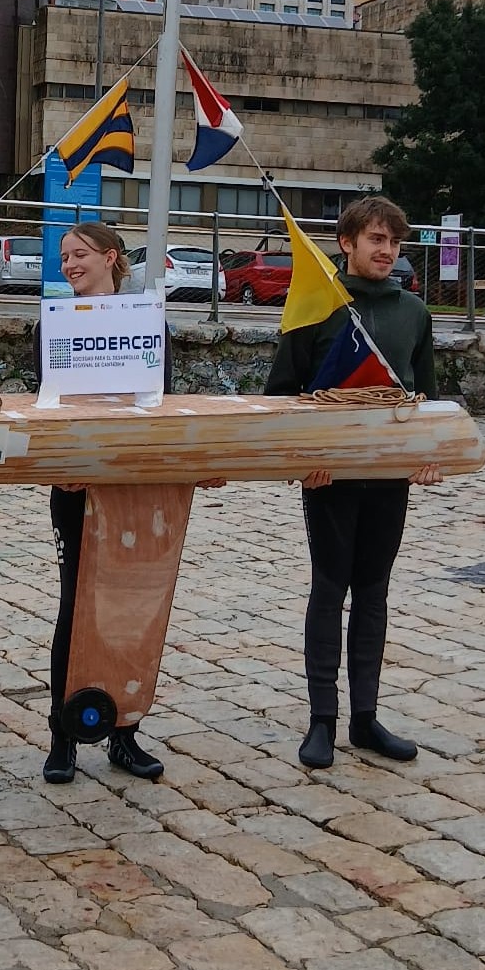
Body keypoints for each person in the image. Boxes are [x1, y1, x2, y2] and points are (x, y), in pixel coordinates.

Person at [38, 223, 223, 784]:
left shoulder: (147, 322)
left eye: (80, 255)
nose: (69, 264)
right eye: (64, 256)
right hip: (77, 486)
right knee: (76, 611)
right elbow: (47, 401)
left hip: (136, 488)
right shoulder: (54, 323)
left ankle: (124, 733)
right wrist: (63, 466)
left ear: (110, 258)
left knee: (129, 611)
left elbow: (159, 404)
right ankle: (62, 736)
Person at [264, 195, 441, 769]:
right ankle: (322, 719)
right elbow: (281, 395)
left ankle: (365, 719)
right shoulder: (317, 304)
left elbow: (427, 399)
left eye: (393, 241)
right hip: (331, 478)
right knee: (329, 589)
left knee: (374, 594)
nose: (387, 250)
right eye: (375, 240)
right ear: (347, 244)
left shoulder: (413, 312)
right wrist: (300, 461)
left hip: (388, 479)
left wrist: (427, 456)